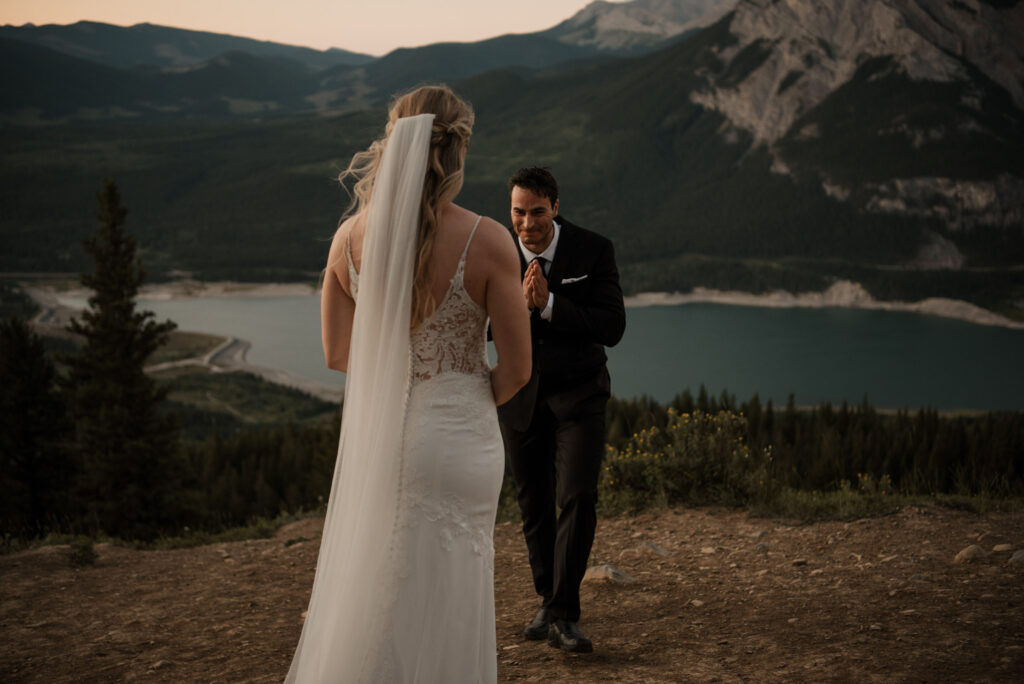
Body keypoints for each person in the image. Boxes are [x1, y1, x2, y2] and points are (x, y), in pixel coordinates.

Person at [285, 85, 531, 683]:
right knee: (451, 591)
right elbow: (519, 368)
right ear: (457, 149)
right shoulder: (490, 239)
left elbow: (337, 353)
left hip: (384, 437)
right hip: (462, 436)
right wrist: (464, 398)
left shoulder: (349, 240)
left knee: (380, 585)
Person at [499, 167, 626, 654]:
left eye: (535, 212)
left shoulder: (594, 250)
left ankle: (564, 614)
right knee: (533, 505)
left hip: (580, 395)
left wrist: (550, 304)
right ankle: (548, 599)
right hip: (519, 395)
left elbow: (611, 326)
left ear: (555, 206)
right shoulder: (496, 252)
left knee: (578, 497)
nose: (526, 224)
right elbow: (482, 325)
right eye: (517, 212)